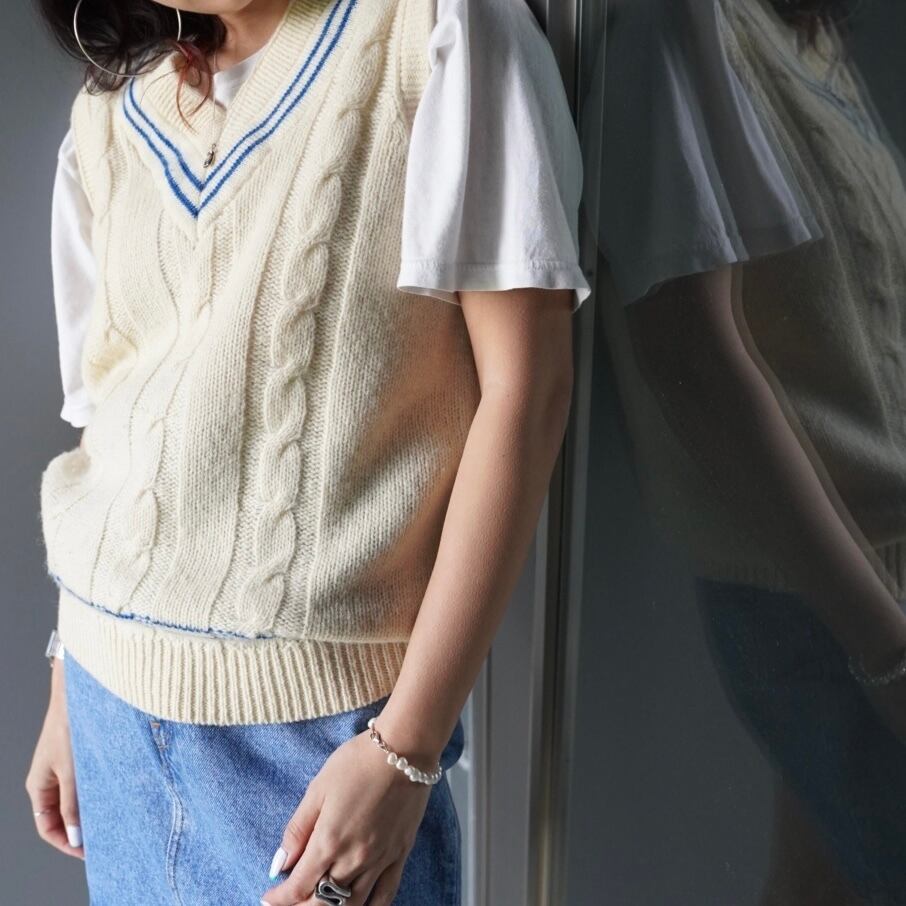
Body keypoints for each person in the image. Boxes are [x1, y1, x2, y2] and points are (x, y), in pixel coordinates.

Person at [25, 1, 591, 903]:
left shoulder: (437, 32)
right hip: (107, 708)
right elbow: (113, 412)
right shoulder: (109, 108)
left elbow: (527, 394)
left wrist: (406, 748)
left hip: (316, 739)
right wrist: (67, 676)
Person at [586, 0, 906, 901]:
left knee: (821, 883)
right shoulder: (672, 28)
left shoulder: (799, 28)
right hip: (826, 594)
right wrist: (885, 649)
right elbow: (691, 356)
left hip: (868, 576)